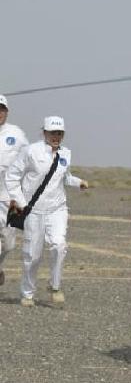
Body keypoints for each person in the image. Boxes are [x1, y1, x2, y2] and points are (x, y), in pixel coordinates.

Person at [6, 116, 88, 306]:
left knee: (59, 245)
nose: (56, 136)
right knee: (32, 255)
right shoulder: (31, 151)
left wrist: (78, 182)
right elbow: (12, 176)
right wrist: (20, 201)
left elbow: (64, 177)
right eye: (52, 133)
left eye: (59, 133)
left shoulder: (66, 154)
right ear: (44, 132)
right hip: (33, 210)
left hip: (57, 209)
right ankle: (27, 293)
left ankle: (55, 285)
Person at [0, 95, 29, 286]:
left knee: (8, 243)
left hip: (9, 196)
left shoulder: (16, 134)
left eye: (2, 109)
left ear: (7, 112)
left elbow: (29, 160)